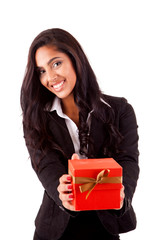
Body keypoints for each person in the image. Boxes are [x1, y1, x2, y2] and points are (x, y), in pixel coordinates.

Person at [20, 28, 139, 240]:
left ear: (75, 59)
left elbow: (128, 160)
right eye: (41, 71)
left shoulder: (120, 110)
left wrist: (122, 195)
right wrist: (62, 190)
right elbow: (45, 164)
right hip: (56, 229)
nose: (51, 77)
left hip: (105, 225)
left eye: (56, 63)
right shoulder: (37, 117)